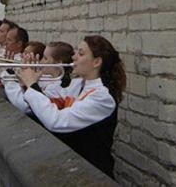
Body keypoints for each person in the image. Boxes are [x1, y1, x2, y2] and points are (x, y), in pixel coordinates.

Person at [16, 35, 126, 178]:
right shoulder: (78, 84)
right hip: (74, 167)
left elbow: (57, 121)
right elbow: (50, 102)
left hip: (93, 174)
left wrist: (32, 85)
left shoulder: (102, 97)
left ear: (97, 62)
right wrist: (28, 85)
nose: (74, 57)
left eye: (80, 53)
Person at [3, 41, 74, 115]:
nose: (41, 61)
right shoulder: (46, 80)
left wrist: (6, 75)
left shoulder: (59, 88)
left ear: (58, 63)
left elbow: (25, 106)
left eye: (45, 58)